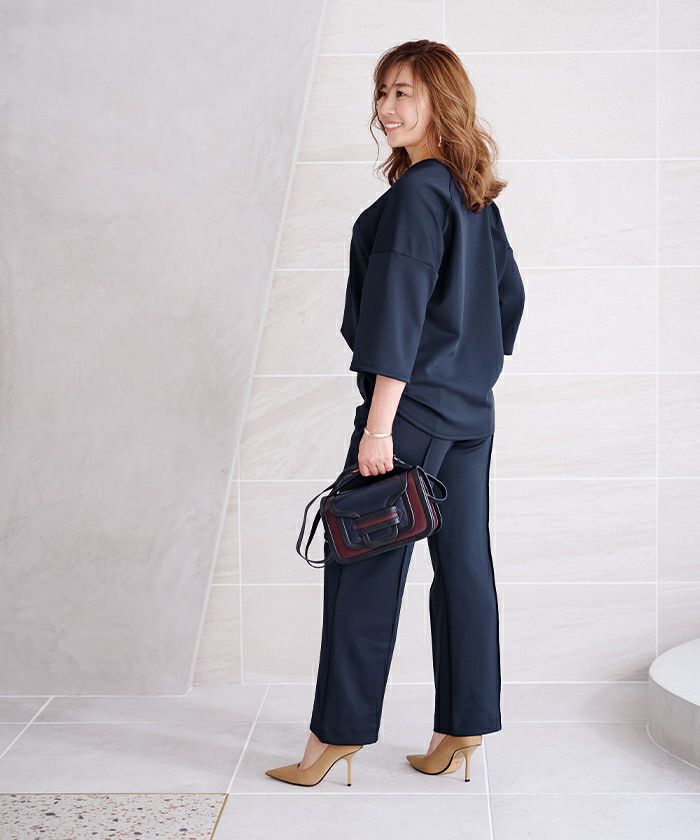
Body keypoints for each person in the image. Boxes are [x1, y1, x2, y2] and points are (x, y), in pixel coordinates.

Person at [266, 39, 525, 787]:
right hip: (469, 415)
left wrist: (381, 424)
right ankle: (463, 725)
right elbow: (510, 301)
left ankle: (333, 740)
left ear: (441, 99)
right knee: (464, 568)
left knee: (362, 567)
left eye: (402, 92)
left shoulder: (418, 195)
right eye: (382, 93)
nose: (385, 108)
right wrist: (466, 367)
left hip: (407, 415)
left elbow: (396, 321)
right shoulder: (472, 195)